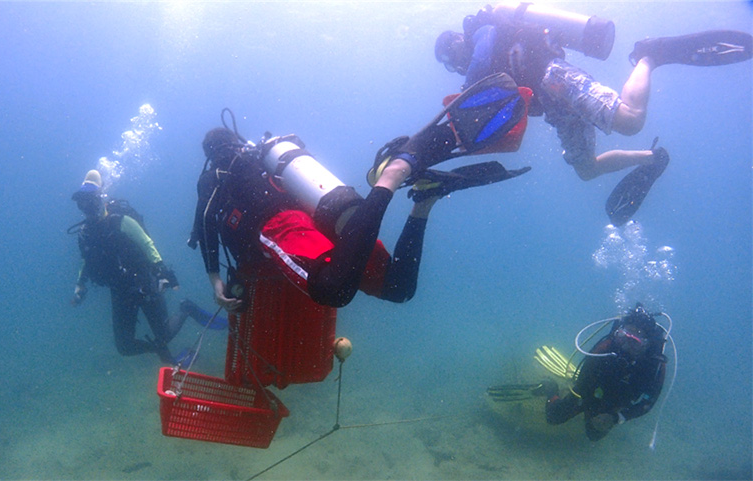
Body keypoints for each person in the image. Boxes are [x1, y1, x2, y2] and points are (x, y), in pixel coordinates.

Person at [188, 89, 530, 388]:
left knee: (333, 289)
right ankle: (425, 201)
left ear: (210, 152)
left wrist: (214, 278)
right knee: (398, 288)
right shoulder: (261, 159)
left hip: (282, 226)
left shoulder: (217, 173)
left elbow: (205, 221)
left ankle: (394, 174)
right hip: (328, 219)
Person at [435, 3, 752, 225]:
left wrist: (465, 95)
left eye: (452, 57)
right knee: (586, 170)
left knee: (629, 120)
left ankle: (650, 56)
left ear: (455, 44)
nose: (456, 62)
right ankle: (650, 159)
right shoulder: (486, 60)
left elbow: (479, 62)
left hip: (555, 77)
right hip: (555, 108)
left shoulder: (482, 29)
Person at [488, 304, 671, 441]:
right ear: (618, 334)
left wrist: (616, 417)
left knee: (594, 436)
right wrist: (586, 402)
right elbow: (584, 378)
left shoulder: (655, 365)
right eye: (624, 337)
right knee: (554, 418)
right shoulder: (607, 346)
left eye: (636, 342)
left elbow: (649, 403)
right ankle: (549, 388)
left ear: (647, 345)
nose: (626, 345)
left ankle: (599, 418)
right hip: (591, 389)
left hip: (615, 402)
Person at [70, 169, 192, 363]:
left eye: (90, 202)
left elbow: (146, 243)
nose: (86, 208)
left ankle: (187, 308)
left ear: (99, 199)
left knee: (165, 332)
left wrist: (161, 269)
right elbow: (86, 260)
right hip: (119, 290)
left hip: (143, 282)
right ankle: (159, 348)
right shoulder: (85, 233)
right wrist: (80, 285)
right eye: (81, 204)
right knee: (124, 346)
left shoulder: (120, 220)